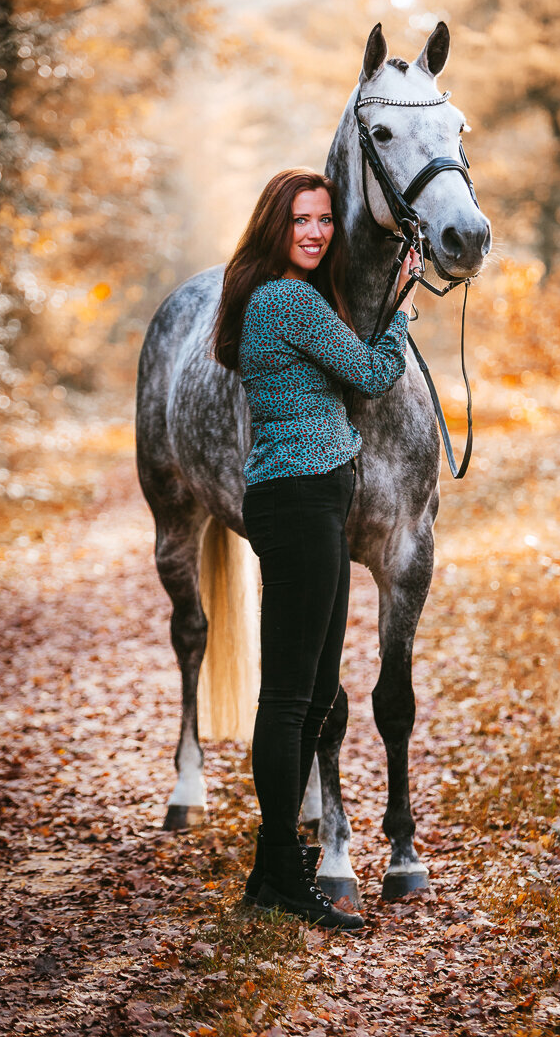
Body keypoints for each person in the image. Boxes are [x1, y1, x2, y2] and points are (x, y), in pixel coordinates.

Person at [212, 167, 419, 930]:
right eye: (301, 219)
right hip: (299, 502)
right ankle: (283, 871)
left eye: (326, 218)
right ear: (276, 225)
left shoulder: (276, 298)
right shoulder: (287, 299)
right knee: (292, 696)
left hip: (313, 496)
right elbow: (370, 372)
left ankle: (273, 871)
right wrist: (400, 309)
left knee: (318, 688)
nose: (316, 231)